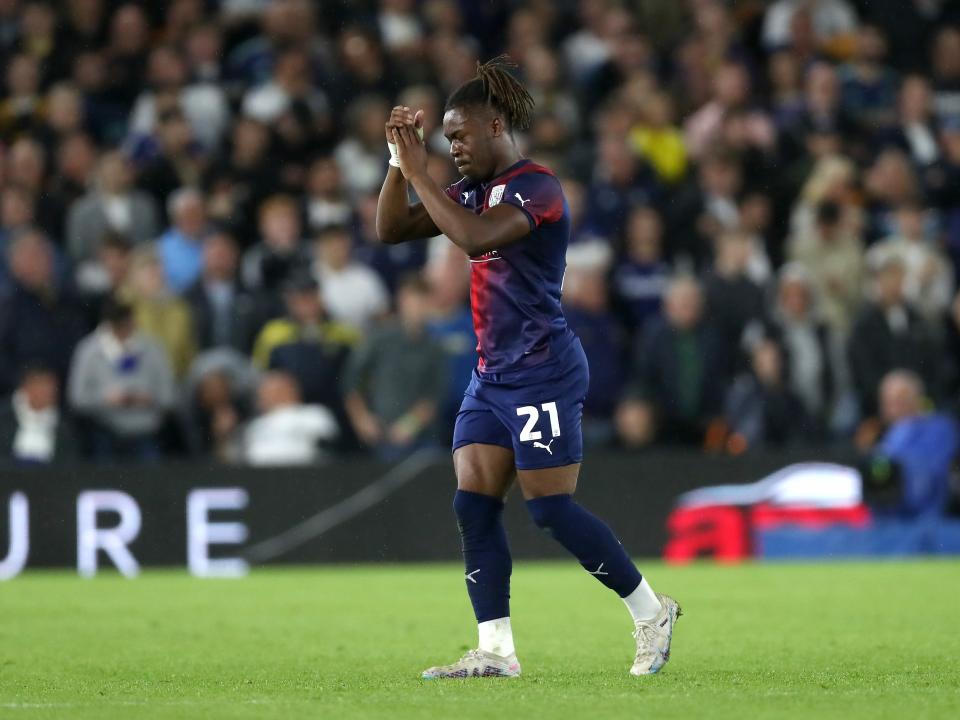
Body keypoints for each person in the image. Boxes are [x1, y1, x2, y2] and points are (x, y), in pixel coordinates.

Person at [377, 56, 680, 679]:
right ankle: (495, 650)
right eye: (446, 140)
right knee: (473, 504)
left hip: (543, 370)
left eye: (460, 135)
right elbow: (391, 229)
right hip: (491, 376)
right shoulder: (468, 191)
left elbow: (471, 237)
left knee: (550, 510)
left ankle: (652, 612)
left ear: (495, 126)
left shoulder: (536, 187)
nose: (453, 148)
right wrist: (397, 165)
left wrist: (420, 172)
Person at [67, 297, 175, 462]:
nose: (125, 331)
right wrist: (105, 399)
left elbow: (169, 396)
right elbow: (77, 398)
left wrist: (149, 398)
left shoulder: (153, 348)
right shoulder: (88, 351)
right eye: (120, 326)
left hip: (146, 432)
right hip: (104, 431)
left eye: (128, 325)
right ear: (109, 325)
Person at [0, 366, 76, 464]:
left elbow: (70, 459)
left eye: (52, 387)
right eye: (41, 386)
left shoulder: (64, 423)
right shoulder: (4, 416)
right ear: (26, 387)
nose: (48, 392)